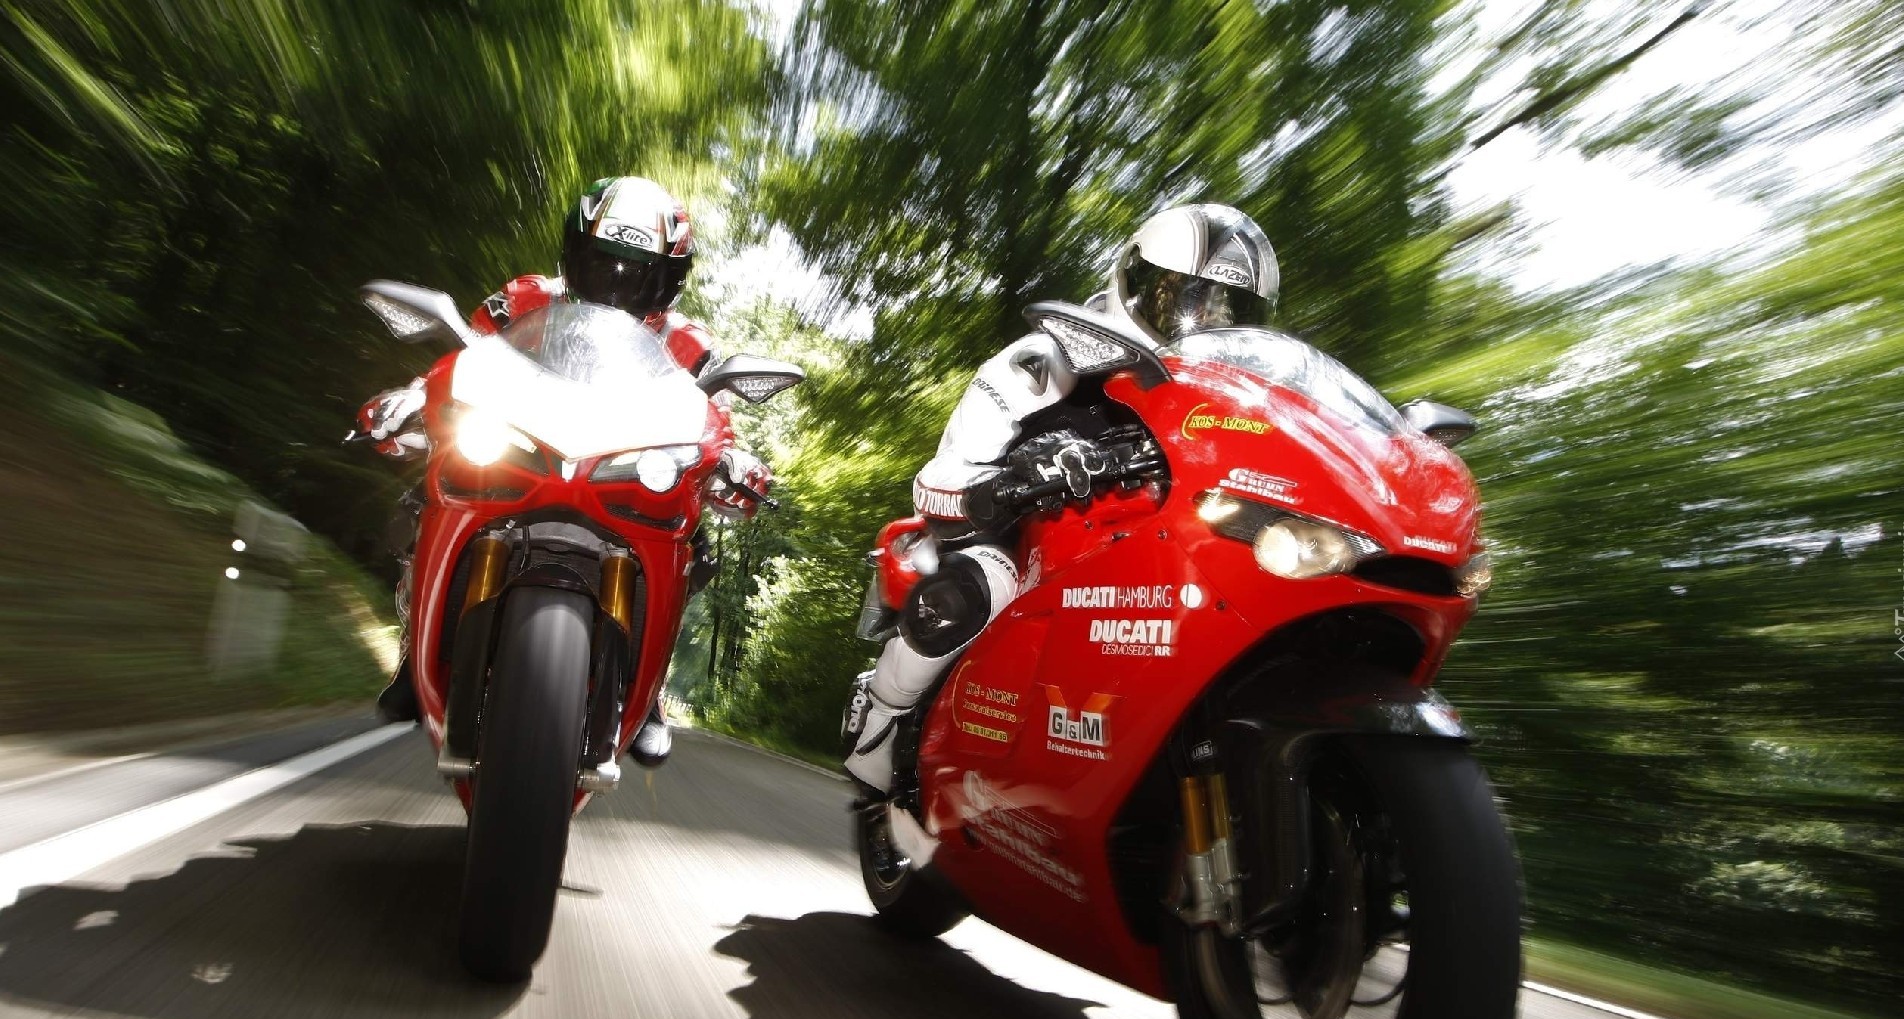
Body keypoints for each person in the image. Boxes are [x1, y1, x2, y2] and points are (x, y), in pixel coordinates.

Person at [843, 203, 1279, 791]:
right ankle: (882, 716)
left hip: (1163, 545)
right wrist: (1013, 478)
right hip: (1032, 548)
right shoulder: (1044, 360)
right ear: (1136, 282)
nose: (1206, 323)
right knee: (972, 589)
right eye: (1188, 299)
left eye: (1230, 311)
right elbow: (936, 483)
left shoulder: (1239, 407)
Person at [358, 175, 770, 767]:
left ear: (669, 279)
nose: (617, 281)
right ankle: (413, 649)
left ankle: (647, 692)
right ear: (576, 252)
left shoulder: (690, 343)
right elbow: (465, 358)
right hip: (520, 447)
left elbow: (713, 417)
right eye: (604, 262)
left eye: (639, 271)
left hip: (624, 467)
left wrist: (732, 458)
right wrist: (415, 394)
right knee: (420, 502)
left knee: (696, 549)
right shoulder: (525, 297)